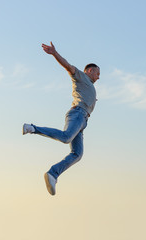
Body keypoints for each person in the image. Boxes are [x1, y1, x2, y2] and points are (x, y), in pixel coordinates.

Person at [23, 42, 100, 196]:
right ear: (89, 70)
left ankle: (53, 173)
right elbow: (68, 66)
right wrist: (55, 53)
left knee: (77, 154)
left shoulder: (89, 85)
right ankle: (32, 128)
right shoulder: (81, 76)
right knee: (66, 138)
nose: (99, 77)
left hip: (82, 121)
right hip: (77, 113)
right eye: (97, 73)